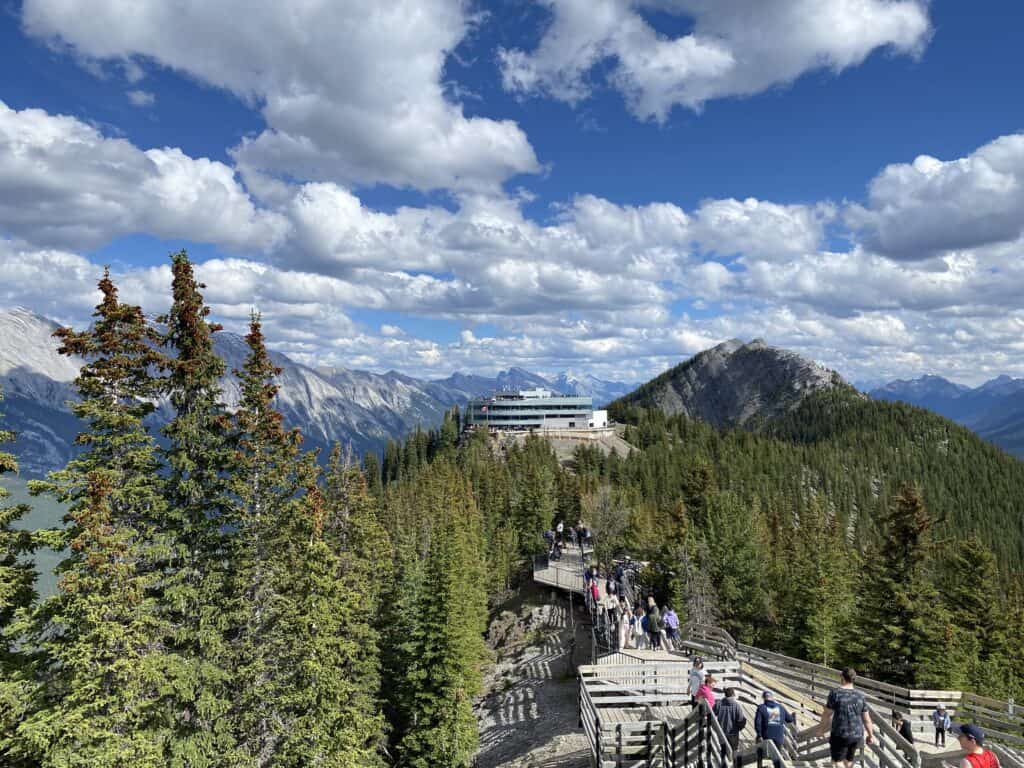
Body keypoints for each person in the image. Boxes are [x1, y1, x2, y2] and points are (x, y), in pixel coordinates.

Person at [816, 667, 874, 768]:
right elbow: (866, 719)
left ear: (842, 677)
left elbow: (827, 714)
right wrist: (870, 735)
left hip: (840, 734)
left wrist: (821, 730)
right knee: (849, 760)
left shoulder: (835, 693)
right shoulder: (860, 695)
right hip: (857, 734)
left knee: (837, 762)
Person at [715, 687, 748, 751]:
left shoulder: (719, 703)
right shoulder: (736, 705)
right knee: (734, 750)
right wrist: (740, 728)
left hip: (722, 731)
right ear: (733, 695)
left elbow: (712, 713)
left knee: (723, 750)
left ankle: (724, 760)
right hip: (733, 733)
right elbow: (740, 719)